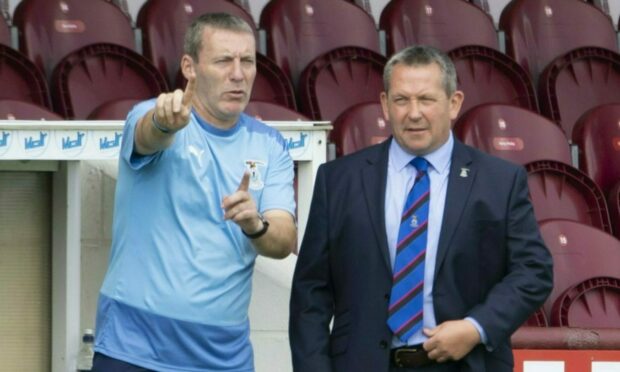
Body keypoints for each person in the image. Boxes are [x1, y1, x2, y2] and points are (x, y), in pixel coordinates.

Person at [289, 45, 553, 372]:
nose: (414, 113)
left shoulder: (500, 181)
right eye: (401, 100)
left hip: (465, 364)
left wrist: (476, 327)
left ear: (454, 103)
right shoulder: (338, 180)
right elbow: (310, 294)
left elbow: (533, 271)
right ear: (385, 104)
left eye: (426, 99)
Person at [92, 13, 297, 372]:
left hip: (223, 355)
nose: (238, 74)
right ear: (190, 66)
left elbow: (284, 240)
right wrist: (163, 124)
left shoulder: (270, 145)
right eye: (223, 61)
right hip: (134, 347)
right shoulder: (155, 115)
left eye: (246, 61)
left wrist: (255, 224)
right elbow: (147, 135)